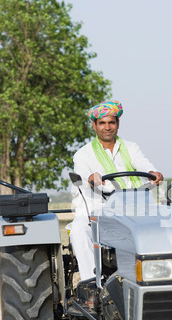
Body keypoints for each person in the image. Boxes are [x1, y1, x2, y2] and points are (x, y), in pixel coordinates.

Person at [70, 99, 163, 281]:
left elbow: (143, 164)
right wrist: (91, 178)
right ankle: (91, 283)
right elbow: (82, 176)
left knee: (162, 225)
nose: (107, 127)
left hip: (132, 209)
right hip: (98, 212)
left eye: (111, 122)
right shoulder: (83, 154)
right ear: (94, 126)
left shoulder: (131, 148)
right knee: (79, 230)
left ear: (117, 124)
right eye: (102, 123)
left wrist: (153, 172)